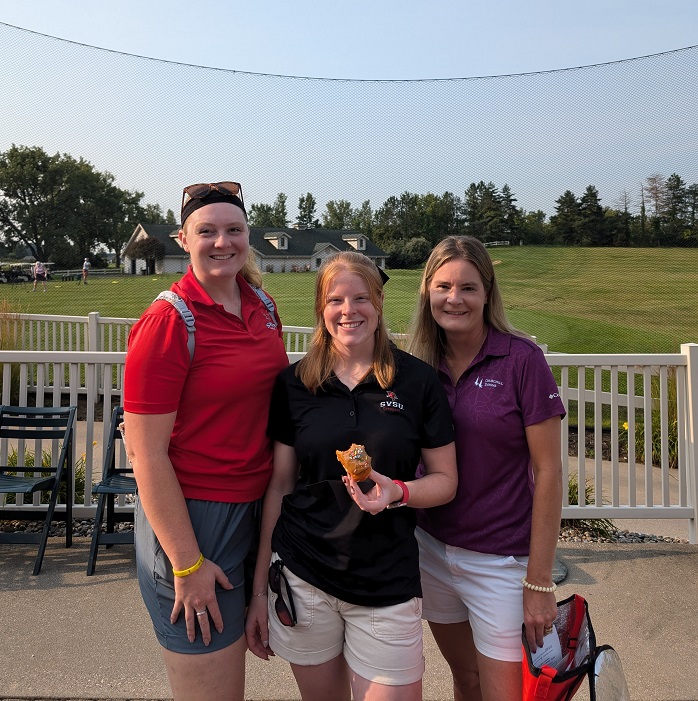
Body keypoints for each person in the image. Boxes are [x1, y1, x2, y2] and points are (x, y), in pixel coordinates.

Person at [246, 251, 458, 701]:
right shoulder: (295, 383)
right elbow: (280, 486)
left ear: (379, 303)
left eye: (361, 298)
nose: (349, 311)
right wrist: (261, 588)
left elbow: (445, 479)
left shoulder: (417, 380)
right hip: (303, 574)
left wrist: (397, 492)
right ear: (321, 310)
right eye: (336, 300)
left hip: (387, 580)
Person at [123, 181, 288, 701]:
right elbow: (144, 453)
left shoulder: (263, 306)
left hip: (255, 509)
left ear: (248, 236)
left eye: (233, 230)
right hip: (194, 521)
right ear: (182, 238)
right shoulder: (168, 322)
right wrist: (187, 564)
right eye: (207, 231)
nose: (223, 242)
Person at [408, 235, 566, 701]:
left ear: (487, 293)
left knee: (508, 694)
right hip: (430, 551)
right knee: (466, 680)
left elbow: (550, 472)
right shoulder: (418, 364)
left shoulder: (522, 359)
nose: (454, 299)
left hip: (501, 562)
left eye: (468, 288)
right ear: (427, 293)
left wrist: (538, 581)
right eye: (442, 287)